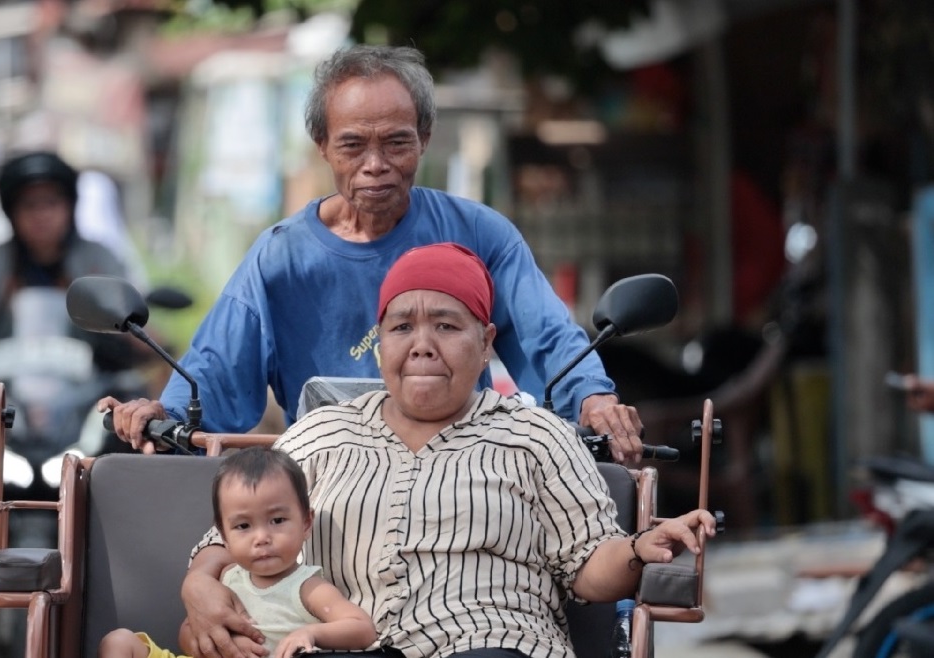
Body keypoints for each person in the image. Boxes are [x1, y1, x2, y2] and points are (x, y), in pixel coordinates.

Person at [104, 44, 645, 465]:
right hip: (326, 489)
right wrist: (167, 413)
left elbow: (548, 339)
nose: (376, 164)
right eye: (353, 145)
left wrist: (591, 399)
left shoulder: (479, 233)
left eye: (396, 142)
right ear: (322, 146)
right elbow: (215, 369)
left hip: (464, 474)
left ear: (425, 139)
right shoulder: (280, 259)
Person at [169, 243, 717, 658]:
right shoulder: (319, 435)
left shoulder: (535, 435)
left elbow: (589, 568)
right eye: (402, 326)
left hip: (494, 640)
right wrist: (199, 583)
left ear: (485, 343)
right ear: (380, 343)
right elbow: (228, 537)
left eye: (446, 325)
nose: (422, 343)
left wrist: (641, 547)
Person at [0, 150, 141, 658]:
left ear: (70, 206)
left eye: (52, 202)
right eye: (30, 204)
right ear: (12, 211)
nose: (42, 214)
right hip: (4, 419)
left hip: (77, 415)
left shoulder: (97, 260)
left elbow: (129, 315)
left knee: (132, 486)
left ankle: (135, 617)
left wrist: (139, 338)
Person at [100, 446, 377, 658]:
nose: (262, 538)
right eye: (243, 526)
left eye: (277, 521)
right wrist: (215, 644)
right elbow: (187, 632)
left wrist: (310, 633)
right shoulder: (227, 577)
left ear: (306, 523)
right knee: (118, 642)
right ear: (224, 536)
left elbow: (362, 628)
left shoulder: (306, 586)